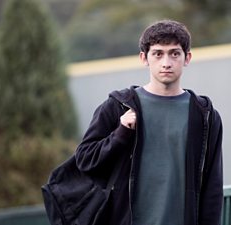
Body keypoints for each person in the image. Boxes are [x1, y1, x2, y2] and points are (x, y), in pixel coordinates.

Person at [75, 20, 223, 225]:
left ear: (187, 58)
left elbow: (212, 184)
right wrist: (120, 134)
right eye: (158, 53)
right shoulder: (119, 106)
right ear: (144, 58)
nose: (166, 63)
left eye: (174, 53)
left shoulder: (204, 115)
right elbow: (84, 159)